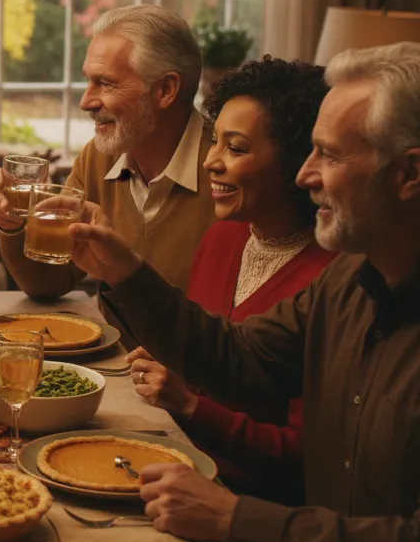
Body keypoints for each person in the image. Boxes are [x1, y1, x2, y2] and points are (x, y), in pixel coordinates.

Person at [67, 43, 420, 542]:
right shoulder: (348, 279)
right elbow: (239, 359)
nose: (305, 174)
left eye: (332, 155)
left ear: (410, 175)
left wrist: (234, 518)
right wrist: (123, 270)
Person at [125, 57, 335, 506]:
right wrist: (172, 359)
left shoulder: (332, 279)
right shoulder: (224, 237)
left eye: (235, 149)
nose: (210, 162)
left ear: (297, 162)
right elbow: (212, 362)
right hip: (181, 466)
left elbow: (304, 456)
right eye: (214, 142)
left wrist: (191, 407)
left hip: (249, 504)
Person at [0, 4, 216, 305]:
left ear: (166, 90)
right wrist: (11, 224)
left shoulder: (228, 171)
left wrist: (176, 352)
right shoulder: (98, 157)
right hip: (114, 351)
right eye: (88, 81)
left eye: (105, 83)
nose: (85, 102)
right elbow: (47, 282)